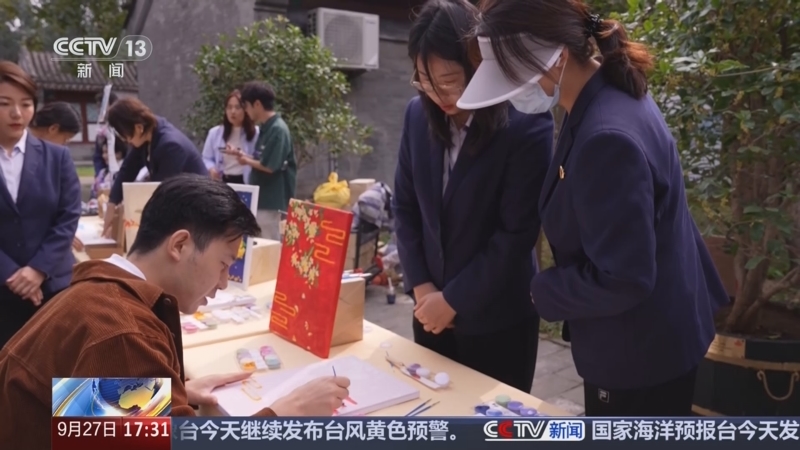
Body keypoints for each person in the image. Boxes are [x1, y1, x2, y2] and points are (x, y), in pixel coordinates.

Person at [458, 0, 730, 416]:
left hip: (640, 351)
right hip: (662, 326)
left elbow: (624, 277)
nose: (514, 91)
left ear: (557, 57)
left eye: (514, 75)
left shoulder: (606, 136)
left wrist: (543, 290)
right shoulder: (604, 93)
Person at [0, 174, 352, 448]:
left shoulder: (99, 296)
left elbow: (82, 412)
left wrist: (167, 393)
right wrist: (286, 413)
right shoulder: (123, 334)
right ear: (180, 245)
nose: (223, 283)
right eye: (223, 264)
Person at [393, 0, 553, 393]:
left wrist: (454, 300)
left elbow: (516, 233)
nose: (439, 94)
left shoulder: (526, 124)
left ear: (478, 63)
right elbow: (405, 206)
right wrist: (423, 287)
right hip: (429, 312)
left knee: (493, 422)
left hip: (497, 319)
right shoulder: (417, 115)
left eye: (449, 80)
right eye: (425, 81)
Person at [0, 61, 81, 347]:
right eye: (4, 103)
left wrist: (37, 269)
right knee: (9, 369)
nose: (17, 113)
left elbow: (68, 216)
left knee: (64, 367)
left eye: (26, 104)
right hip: (3, 294)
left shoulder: (56, 157)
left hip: (53, 286)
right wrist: (12, 275)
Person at [102, 97, 208, 237]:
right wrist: (112, 204)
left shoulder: (171, 146)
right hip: (177, 204)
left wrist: (123, 223)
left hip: (196, 211)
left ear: (138, 128)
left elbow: (160, 192)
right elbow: (127, 170)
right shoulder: (147, 134)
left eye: (127, 137)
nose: (127, 142)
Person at [239, 81, 297, 240]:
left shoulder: (278, 129)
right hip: (262, 199)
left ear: (257, 104)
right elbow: (262, 158)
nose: (246, 111)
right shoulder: (267, 128)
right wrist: (244, 156)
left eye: (246, 106)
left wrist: (246, 161)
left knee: (270, 244)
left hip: (272, 200)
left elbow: (270, 166)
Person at [202, 89, 258, 184]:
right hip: (223, 180)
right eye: (229, 107)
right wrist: (211, 169)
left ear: (245, 110)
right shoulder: (215, 133)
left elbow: (259, 160)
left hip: (246, 181)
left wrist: (241, 155)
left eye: (237, 107)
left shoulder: (256, 132)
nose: (233, 111)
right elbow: (206, 158)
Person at [92, 90, 125, 176]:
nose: (99, 110)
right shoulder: (102, 130)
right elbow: (98, 156)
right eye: (98, 107)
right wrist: (100, 174)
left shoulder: (124, 127)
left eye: (102, 106)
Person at [91, 134, 128, 199]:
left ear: (119, 153)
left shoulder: (127, 172)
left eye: (106, 152)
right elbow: (94, 194)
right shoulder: (103, 173)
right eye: (103, 152)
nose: (104, 156)